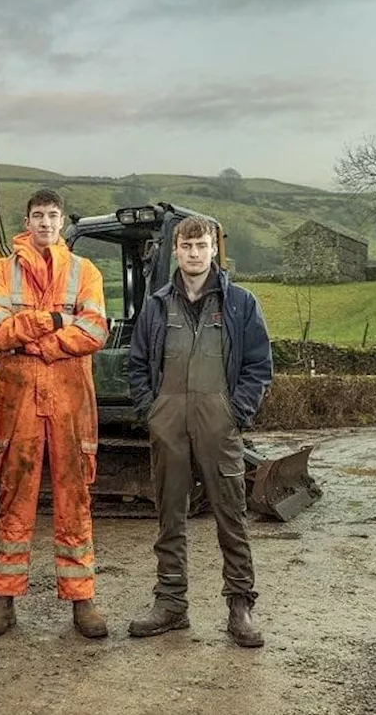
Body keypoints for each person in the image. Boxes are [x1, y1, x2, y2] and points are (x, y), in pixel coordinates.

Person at [126, 216, 272, 647]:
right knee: (169, 515)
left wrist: (235, 413)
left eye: (201, 245)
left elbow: (258, 366)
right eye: (187, 246)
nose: (194, 253)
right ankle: (171, 604)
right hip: (168, 422)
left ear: (214, 251)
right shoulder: (156, 304)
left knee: (231, 515)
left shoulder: (240, 304)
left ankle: (240, 606)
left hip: (218, 423)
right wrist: (150, 411)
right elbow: (137, 364)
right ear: (176, 250)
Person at [0, 188, 111, 639]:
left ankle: (82, 600)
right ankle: (3, 598)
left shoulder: (84, 271)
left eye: (53, 216)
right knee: (14, 496)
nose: (46, 223)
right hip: (19, 399)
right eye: (39, 216)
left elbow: (94, 328)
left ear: (61, 221)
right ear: (27, 220)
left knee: (75, 497)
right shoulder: (1, 271)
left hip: (70, 396)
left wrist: (39, 341)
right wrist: (53, 321)